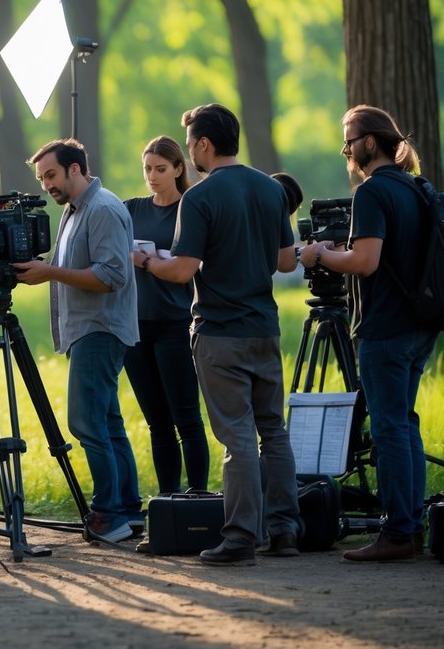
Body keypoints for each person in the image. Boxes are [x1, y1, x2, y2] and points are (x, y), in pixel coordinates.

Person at [143, 104, 301, 565]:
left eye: (190, 143)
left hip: (219, 332)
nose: (190, 151)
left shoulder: (200, 197)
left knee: (236, 438)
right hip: (264, 328)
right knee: (273, 431)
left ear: (203, 145)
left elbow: (184, 269)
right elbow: (287, 262)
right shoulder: (271, 189)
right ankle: (286, 530)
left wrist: (149, 262)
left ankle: (239, 539)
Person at [299, 105, 437, 562]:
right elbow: (383, 253)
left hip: (385, 328)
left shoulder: (373, 192)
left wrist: (320, 255)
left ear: (370, 143)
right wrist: (345, 250)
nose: (346, 149)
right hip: (419, 326)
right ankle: (410, 527)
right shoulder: (415, 187)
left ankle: (397, 533)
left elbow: (365, 263)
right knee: (404, 423)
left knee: (389, 428)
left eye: (349, 139)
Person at [12, 138, 142, 545]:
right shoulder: (74, 210)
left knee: (84, 422)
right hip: (89, 330)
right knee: (107, 423)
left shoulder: (101, 209)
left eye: (51, 174)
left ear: (75, 169)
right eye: (41, 178)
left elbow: (111, 276)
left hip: (100, 330)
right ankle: (128, 511)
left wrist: (49, 272)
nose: (46, 184)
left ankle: (108, 515)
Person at [122, 136, 209, 495]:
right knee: (157, 424)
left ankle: (199, 496)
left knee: (187, 419)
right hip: (135, 326)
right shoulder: (130, 209)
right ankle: (168, 498)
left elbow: (192, 264)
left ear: (178, 168)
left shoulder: (191, 208)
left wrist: (148, 261)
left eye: (160, 169)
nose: (153, 176)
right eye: (147, 169)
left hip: (176, 324)